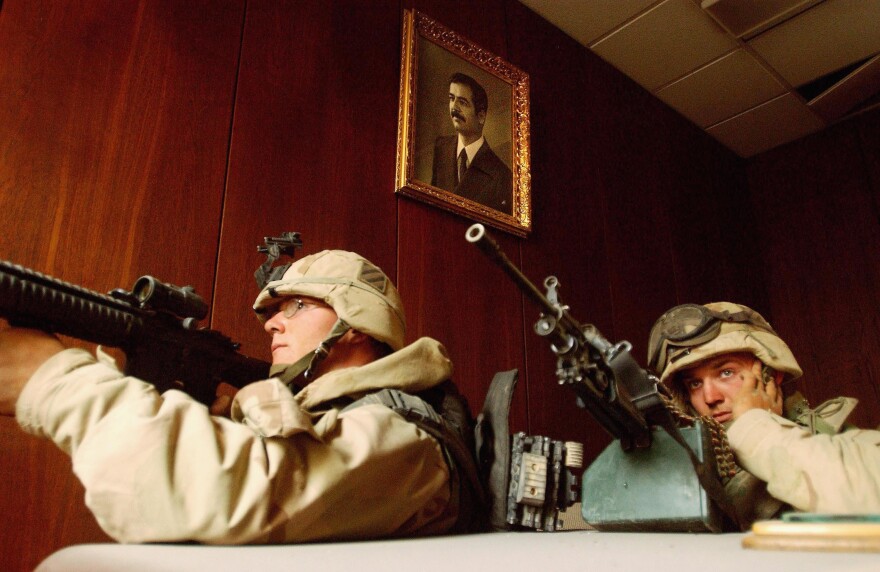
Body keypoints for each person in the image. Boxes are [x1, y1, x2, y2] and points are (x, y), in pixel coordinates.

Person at [0, 249, 484, 543]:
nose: (273, 322)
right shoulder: (343, 418)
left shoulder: (406, 436)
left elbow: (216, 493)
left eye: (295, 306)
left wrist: (50, 381)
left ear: (356, 323)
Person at [647, 301, 880, 520]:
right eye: (695, 384)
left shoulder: (840, 445)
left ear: (771, 374)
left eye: (726, 373)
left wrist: (753, 426)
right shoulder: (682, 472)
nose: (710, 397)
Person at [431, 72, 512, 214]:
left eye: (462, 102)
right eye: (452, 98)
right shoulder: (441, 147)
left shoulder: (501, 175)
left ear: (481, 117)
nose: (454, 108)